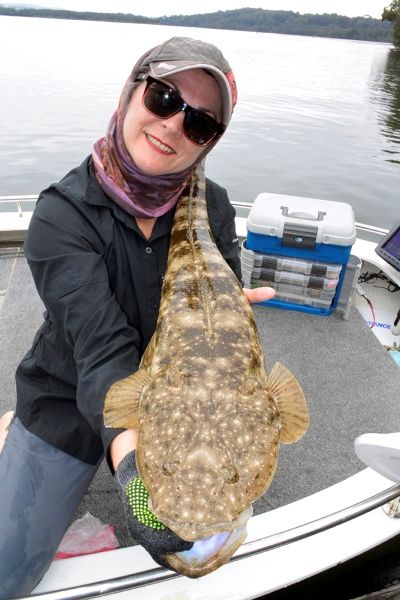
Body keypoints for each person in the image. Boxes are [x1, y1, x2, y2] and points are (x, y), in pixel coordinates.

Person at [0, 36, 274, 598]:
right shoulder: (61, 213)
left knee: (207, 531)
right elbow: (100, 350)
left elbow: (227, 279)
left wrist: (228, 314)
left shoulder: (214, 205)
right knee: (7, 573)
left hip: (182, 392)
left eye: (200, 124)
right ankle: (16, 429)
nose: (174, 125)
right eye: (164, 97)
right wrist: (137, 485)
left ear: (210, 143)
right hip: (70, 393)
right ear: (131, 91)